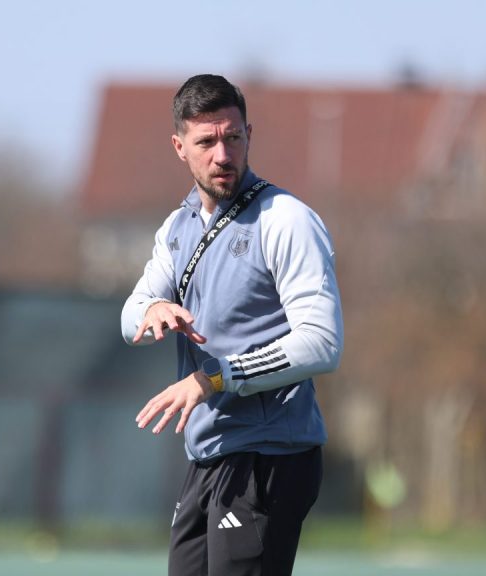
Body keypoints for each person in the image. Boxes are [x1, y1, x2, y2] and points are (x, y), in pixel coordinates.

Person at [120, 74, 343, 576]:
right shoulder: (177, 227)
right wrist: (151, 310)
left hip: (270, 453)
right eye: (206, 142)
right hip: (210, 454)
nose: (223, 155)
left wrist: (215, 378)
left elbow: (322, 343)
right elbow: (131, 314)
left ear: (249, 135)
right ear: (179, 147)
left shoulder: (285, 219)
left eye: (233, 137)